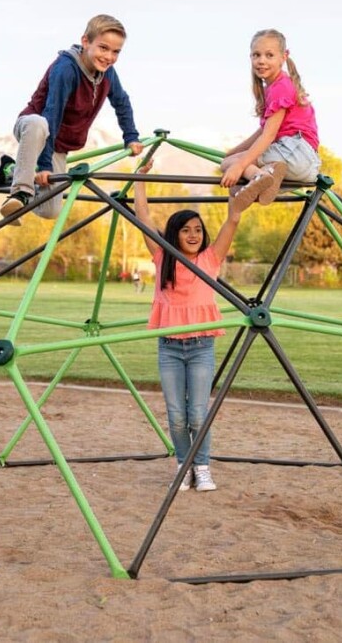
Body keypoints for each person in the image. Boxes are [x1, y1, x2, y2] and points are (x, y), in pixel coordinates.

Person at [134, 160, 242, 492]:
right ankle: (184, 466)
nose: (193, 235)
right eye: (185, 230)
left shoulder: (210, 259)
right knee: (176, 414)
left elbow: (233, 218)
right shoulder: (162, 256)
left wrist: (236, 187)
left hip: (200, 348)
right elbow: (143, 217)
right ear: (174, 234)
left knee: (198, 412)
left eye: (197, 229)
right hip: (169, 347)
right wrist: (139, 179)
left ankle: (203, 467)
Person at [0, 14, 143, 223]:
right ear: (85, 41)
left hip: (58, 144)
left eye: (116, 51)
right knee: (39, 123)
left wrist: (131, 136)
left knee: (50, 210)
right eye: (103, 48)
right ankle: (20, 191)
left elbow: (122, 102)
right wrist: (44, 165)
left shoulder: (107, 74)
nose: (109, 56)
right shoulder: (66, 68)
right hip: (33, 129)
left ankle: (8, 169)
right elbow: (51, 115)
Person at [219, 29, 321, 211]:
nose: (261, 61)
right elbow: (263, 131)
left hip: (295, 153)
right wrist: (234, 152)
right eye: (256, 55)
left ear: (284, 56)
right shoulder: (279, 86)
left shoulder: (280, 87)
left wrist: (237, 163)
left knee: (228, 165)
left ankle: (261, 176)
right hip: (304, 162)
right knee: (235, 186)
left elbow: (268, 136)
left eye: (269, 55)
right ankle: (264, 175)